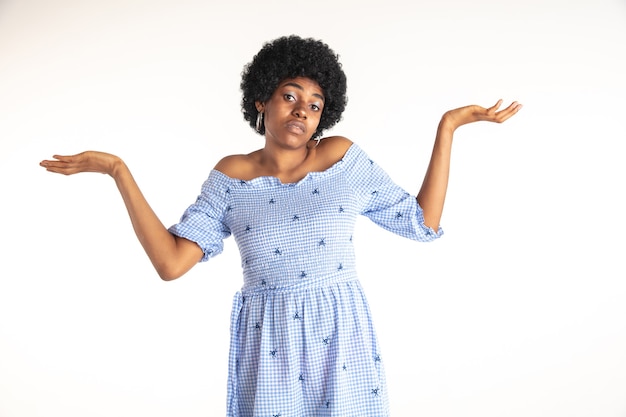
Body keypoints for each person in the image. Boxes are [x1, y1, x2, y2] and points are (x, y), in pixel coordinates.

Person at [40, 35, 521, 416]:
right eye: (290, 96)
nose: (302, 111)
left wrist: (448, 126)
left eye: (314, 105)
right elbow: (170, 263)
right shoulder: (231, 176)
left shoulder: (341, 158)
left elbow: (421, 222)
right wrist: (119, 171)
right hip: (269, 342)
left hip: (342, 335)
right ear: (260, 102)